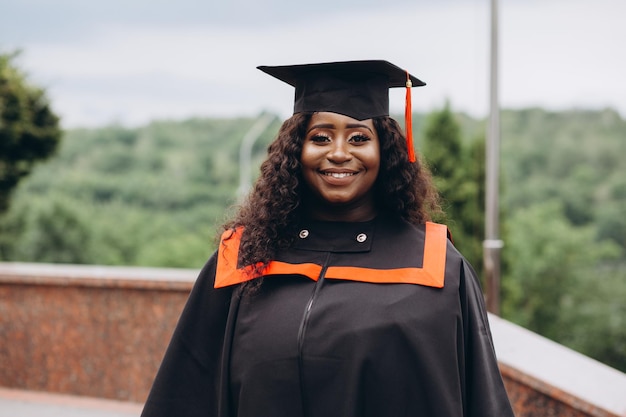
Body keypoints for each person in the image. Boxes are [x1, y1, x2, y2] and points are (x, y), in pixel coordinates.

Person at [141, 60, 515, 417]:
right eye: (320, 137)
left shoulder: (434, 266)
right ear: (295, 151)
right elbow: (183, 394)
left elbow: (478, 396)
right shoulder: (242, 259)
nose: (339, 153)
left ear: (383, 151)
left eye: (358, 138)